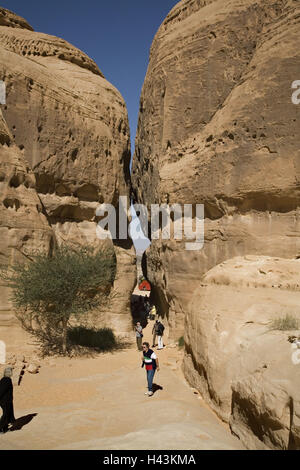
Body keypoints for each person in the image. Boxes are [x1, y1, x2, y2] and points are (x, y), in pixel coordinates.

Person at [0, 367, 16, 433]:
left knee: (7, 414)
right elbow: (1, 391)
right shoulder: (7, 380)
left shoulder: (4, 379)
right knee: (6, 414)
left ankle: (5, 428)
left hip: (6, 400)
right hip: (5, 401)